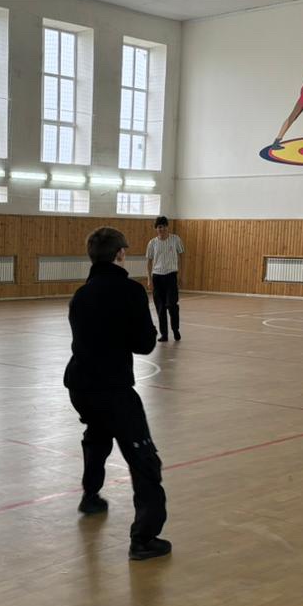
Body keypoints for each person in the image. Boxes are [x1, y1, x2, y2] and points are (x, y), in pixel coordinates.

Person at [64, 227, 171, 561]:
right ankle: (144, 539)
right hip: (112, 388)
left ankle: (91, 496)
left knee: (97, 434)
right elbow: (144, 344)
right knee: (143, 459)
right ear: (120, 254)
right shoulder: (130, 291)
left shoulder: (81, 295)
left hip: (80, 387)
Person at [146, 216, 184, 342]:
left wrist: (181, 275)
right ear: (156, 229)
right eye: (159, 227)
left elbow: (181, 257)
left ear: (167, 227)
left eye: (163, 226)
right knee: (160, 307)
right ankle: (164, 334)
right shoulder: (152, 243)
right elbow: (149, 262)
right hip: (157, 277)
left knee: (172, 305)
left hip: (171, 276)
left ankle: (175, 329)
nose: (161, 229)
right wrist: (149, 279)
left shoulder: (175, 239)